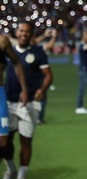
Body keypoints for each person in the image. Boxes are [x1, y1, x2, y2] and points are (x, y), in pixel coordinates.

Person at [2, 22, 53, 179]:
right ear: (16, 33)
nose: (24, 34)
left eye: (27, 32)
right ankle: (11, 169)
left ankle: (21, 175)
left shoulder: (38, 53)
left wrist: (42, 90)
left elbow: (48, 75)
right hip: (8, 102)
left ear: (32, 35)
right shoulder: (6, 51)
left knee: (26, 140)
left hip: (29, 103)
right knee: (5, 142)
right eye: (21, 31)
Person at [0, 33, 28, 179]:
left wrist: (24, 88)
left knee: (3, 143)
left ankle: (11, 170)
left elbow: (16, 62)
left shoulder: (2, 41)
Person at [30, 28, 56, 124]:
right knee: (40, 96)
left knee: (40, 96)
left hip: (38, 76)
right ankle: (37, 117)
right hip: (35, 76)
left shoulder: (38, 49)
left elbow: (49, 45)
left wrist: (48, 36)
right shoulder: (35, 49)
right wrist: (50, 36)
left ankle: (37, 117)